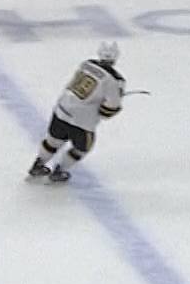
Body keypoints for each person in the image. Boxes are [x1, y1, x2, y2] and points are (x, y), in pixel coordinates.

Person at [25, 41, 126, 184]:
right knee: (81, 148)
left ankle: (38, 164)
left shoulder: (86, 64)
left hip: (62, 109)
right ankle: (60, 170)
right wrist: (104, 110)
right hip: (82, 121)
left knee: (53, 141)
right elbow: (111, 106)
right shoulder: (115, 80)